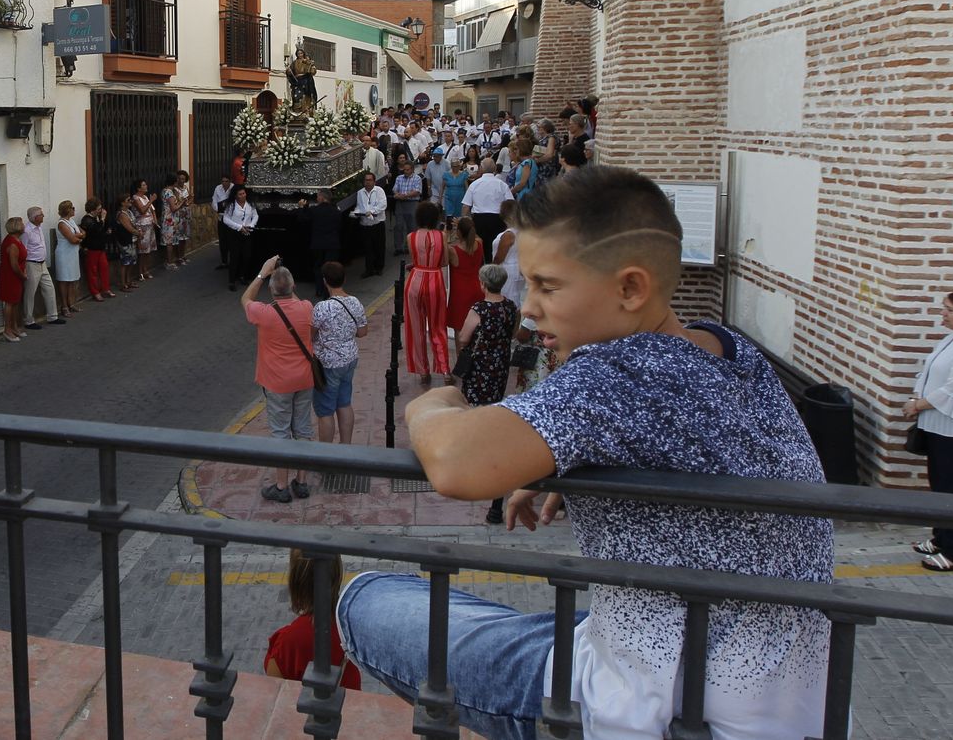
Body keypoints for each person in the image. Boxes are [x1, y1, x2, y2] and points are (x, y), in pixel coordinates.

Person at [338, 165, 834, 740]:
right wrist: (567, 467)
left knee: (367, 598)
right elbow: (683, 441)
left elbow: (454, 463)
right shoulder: (728, 348)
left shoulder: (621, 371)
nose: (529, 307)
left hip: (665, 703)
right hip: (797, 696)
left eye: (548, 286)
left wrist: (433, 405)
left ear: (630, 289)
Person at [902, 291, 953, 571]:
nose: (943, 314)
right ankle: (942, 537)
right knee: (940, 484)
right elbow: (927, 372)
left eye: (950, 310)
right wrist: (915, 397)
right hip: (936, 427)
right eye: (944, 308)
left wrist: (917, 405)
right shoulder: (950, 340)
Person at [241, 256, 315, 503]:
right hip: (304, 378)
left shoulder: (263, 313)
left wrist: (263, 273)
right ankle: (301, 482)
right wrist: (285, 279)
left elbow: (245, 299)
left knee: (281, 432)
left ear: (271, 290)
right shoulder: (307, 307)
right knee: (303, 429)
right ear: (293, 287)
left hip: (277, 382)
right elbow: (295, 299)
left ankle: (281, 486)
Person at [456, 263, 519, 524]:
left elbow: (463, 337)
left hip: (480, 364)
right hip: (499, 364)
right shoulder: (510, 307)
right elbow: (513, 333)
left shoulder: (479, 309)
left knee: (473, 405)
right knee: (493, 402)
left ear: (483, 283)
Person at [265, 550, 362, 690]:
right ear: (336, 574)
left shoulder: (287, 643)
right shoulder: (350, 626)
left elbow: (273, 692)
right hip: (348, 702)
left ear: (295, 579)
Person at [311, 261, 366, 444]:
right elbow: (362, 332)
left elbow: (310, 335)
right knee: (344, 403)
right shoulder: (355, 302)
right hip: (350, 359)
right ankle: (346, 448)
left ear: (325, 281)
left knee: (325, 411)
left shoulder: (322, 307)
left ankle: (327, 454)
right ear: (344, 279)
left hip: (328, 364)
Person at [404, 202, 450, 390]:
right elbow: (445, 261)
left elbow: (415, 260)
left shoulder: (410, 237)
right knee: (438, 326)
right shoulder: (442, 236)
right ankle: (445, 370)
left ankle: (423, 371)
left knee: (416, 327)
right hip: (434, 280)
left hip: (415, 280)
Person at [444, 216, 484, 370]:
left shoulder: (453, 250)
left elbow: (443, 259)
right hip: (477, 289)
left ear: (459, 232)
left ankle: (462, 365)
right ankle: (476, 361)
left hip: (460, 294)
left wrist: (447, 233)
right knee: (476, 328)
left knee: (460, 331)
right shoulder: (479, 244)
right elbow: (474, 235)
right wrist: (464, 223)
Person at [20, 206, 65, 330]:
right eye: (41, 214)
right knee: (30, 293)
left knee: (49, 288)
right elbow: (23, 250)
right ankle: (28, 320)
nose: (43, 216)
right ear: (35, 217)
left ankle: (52, 316)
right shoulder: (27, 231)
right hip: (31, 264)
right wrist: (24, 267)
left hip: (42, 263)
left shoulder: (39, 227)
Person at [461, 158, 513, 264]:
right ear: (494, 168)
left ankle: (482, 269)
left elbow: (466, 206)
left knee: (480, 248)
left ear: (481, 168)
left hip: (479, 220)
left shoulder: (475, 184)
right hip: (497, 219)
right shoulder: (502, 185)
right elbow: (510, 204)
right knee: (495, 246)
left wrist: (463, 221)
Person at [304, 189, 342, 300]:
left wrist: (303, 207)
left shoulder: (314, 210)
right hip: (332, 243)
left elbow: (303, 218)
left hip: (318, 244)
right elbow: (339, 226)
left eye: (317, 196)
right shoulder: (336, 211)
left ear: (322, 198)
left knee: (318, 267)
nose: (317, 198)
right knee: (330, 268)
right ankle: (329, 290)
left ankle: (319, 289)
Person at [223, 185, 259, 292]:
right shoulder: (231, 205)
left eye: (244, 193)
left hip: (247, 233)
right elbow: (225, 219)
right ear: (235, 196)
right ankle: (232, 281)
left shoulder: (250, 204)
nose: (243, 195)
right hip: (234, 234)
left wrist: (251, 225)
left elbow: (255, 216)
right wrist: (239, 227)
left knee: (246, 256)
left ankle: (242, 276)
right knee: (234, 257)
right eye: (240, 194)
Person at [352, 171, 387, 278]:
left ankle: (379, 267)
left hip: (377, 223)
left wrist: (372, 211)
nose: (368, 182)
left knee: (379, 246)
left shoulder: (379, 191)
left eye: (370, 180)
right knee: (368, 248)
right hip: (365, 224)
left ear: (374, 181)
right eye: (366, 180)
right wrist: (356, 212)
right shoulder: (360, 193)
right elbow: (359, 206)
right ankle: (369, 269)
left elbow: (383, 205)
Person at [492, 200, 525, 310]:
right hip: (517, 267)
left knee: (508, 302)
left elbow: (500, 257)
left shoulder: (509, 235)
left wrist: (492, 268)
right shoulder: (521, 231)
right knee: (516, 302)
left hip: (507, 270)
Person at [0, 216, 27, 342]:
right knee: (10, 302)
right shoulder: (12, 243)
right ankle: (7, 330)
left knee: (16, 301)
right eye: (22, 224)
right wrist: (22, 275)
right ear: (17, 227)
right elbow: (14, 265)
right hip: (10, 276)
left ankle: (14, 327)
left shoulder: (16, 240)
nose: (24, 226)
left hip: (16, 276)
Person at [78, 198, 113, 302]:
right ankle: (95, 292)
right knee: (92, 271)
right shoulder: (87, 220)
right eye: (98, 208)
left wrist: (106, 227)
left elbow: (102, 229)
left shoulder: (97, 218)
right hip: (91, 248)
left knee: (104, 268)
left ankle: (105, 288)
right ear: (92, 209)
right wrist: (102, 219)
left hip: (100, 247)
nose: (100, 210)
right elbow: (96, 230)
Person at [53, 200, 84, 315]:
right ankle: (64, 306)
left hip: (72, 254)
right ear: (67, 210)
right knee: (64, 280)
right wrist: (78, 237)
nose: (74, 210)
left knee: (72, 279)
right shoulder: (62, 223)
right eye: (72, 208)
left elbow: (83, 233)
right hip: (64, 255)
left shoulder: (71, 221)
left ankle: (71, 303)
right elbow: (73, 240)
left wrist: (78, 236)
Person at [390, 158, 423, 259]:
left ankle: (409, 246)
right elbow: (395, 189)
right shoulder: (399, 178)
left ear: (412, 169)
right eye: (404, 169)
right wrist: (397, 194)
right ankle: (398, 247)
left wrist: (405, 195)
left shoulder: (417, 178)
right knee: (398, 225)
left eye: (407, 169)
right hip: (400, 203)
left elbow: (417, 191)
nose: (405, 171)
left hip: (412, 203)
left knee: (412, 226)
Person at [111, 194, 141, 292]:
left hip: (131, 239)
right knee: (125, 262)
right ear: (122, 203)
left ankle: (128, 281)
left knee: (131, 260)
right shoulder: (122, 214)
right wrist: (138, 233)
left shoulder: (129, 212)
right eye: (128, 200)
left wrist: (138, 231)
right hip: (125, 240)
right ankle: (123, 283)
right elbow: (129, 228)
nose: (130, 201)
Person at [130, 179, 157, 283]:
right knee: (142, 250)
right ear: (138, 188)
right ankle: (140, 272)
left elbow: (152, 209)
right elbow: (142, 210)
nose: (146, 186)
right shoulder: (135, 198)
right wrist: (151, 200)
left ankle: (145, 269)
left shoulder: (145, 197)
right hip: (142, 225)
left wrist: (154, 219)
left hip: (149, 224)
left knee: (148, 249)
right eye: (143, 185)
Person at [159, 174, 185, 270]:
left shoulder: (164, 191)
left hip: (166, 218)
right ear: (174, 182)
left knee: (169, 241)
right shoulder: (169, 192)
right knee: (169, 242)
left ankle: (170, 261)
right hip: (169, 220)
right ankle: (169, 262)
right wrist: (182, 203)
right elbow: (173, 208)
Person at [211, 174, 236, 270]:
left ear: (230, 181)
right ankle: (224, 262)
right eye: (223, 181)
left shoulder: (234, 188)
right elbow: (214, 201)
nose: (224, 183)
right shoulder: (218, 188)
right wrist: (218, 209)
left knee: (231, 240)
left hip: (232, 219)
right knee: (222, 240)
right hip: (221, 218)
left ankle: (233, 262)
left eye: (226, 181)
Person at [286, 46, 319, 112]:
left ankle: (306, 109)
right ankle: (297, 109)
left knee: (306, 95)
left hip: (306, 81)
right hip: (297, 81)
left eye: (301, 53)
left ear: (303, 54)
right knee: (296, 96)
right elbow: (290, 71)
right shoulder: (294, 62)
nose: (300, 55)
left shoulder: (307, 61)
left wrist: (311, 67)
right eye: (298, 53)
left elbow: (313, 71)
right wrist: (288, 71)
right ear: (296, 54)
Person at [441, 157, 469, 221]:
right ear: (451, 166)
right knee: (449, 217)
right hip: (449, 199)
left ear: (459, 166)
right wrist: (440, 199)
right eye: (453, 166)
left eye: (456, 166)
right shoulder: (446, 174)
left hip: (460, 199)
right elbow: (442, 188)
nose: (455, 168)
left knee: (459, 218)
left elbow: (466, 188)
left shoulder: (464, 174)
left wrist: (467, 200)